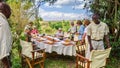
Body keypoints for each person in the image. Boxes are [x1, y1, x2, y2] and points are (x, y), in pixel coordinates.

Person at [0, 2, 12, 68]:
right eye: (10, 10)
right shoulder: (3, 22)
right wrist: (7, 65)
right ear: (5, 10)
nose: (10, 12)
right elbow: (2, 47)